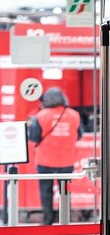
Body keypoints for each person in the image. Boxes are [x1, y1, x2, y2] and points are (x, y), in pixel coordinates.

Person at [28, 87, 82, 225]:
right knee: (65, 191)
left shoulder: (41, 116)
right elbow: (79, 135)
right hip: (67, 160)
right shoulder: (74, 115)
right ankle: (65, 219)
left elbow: (33, 137)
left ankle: (48, 220)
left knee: (46, 192)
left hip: (45, 160)